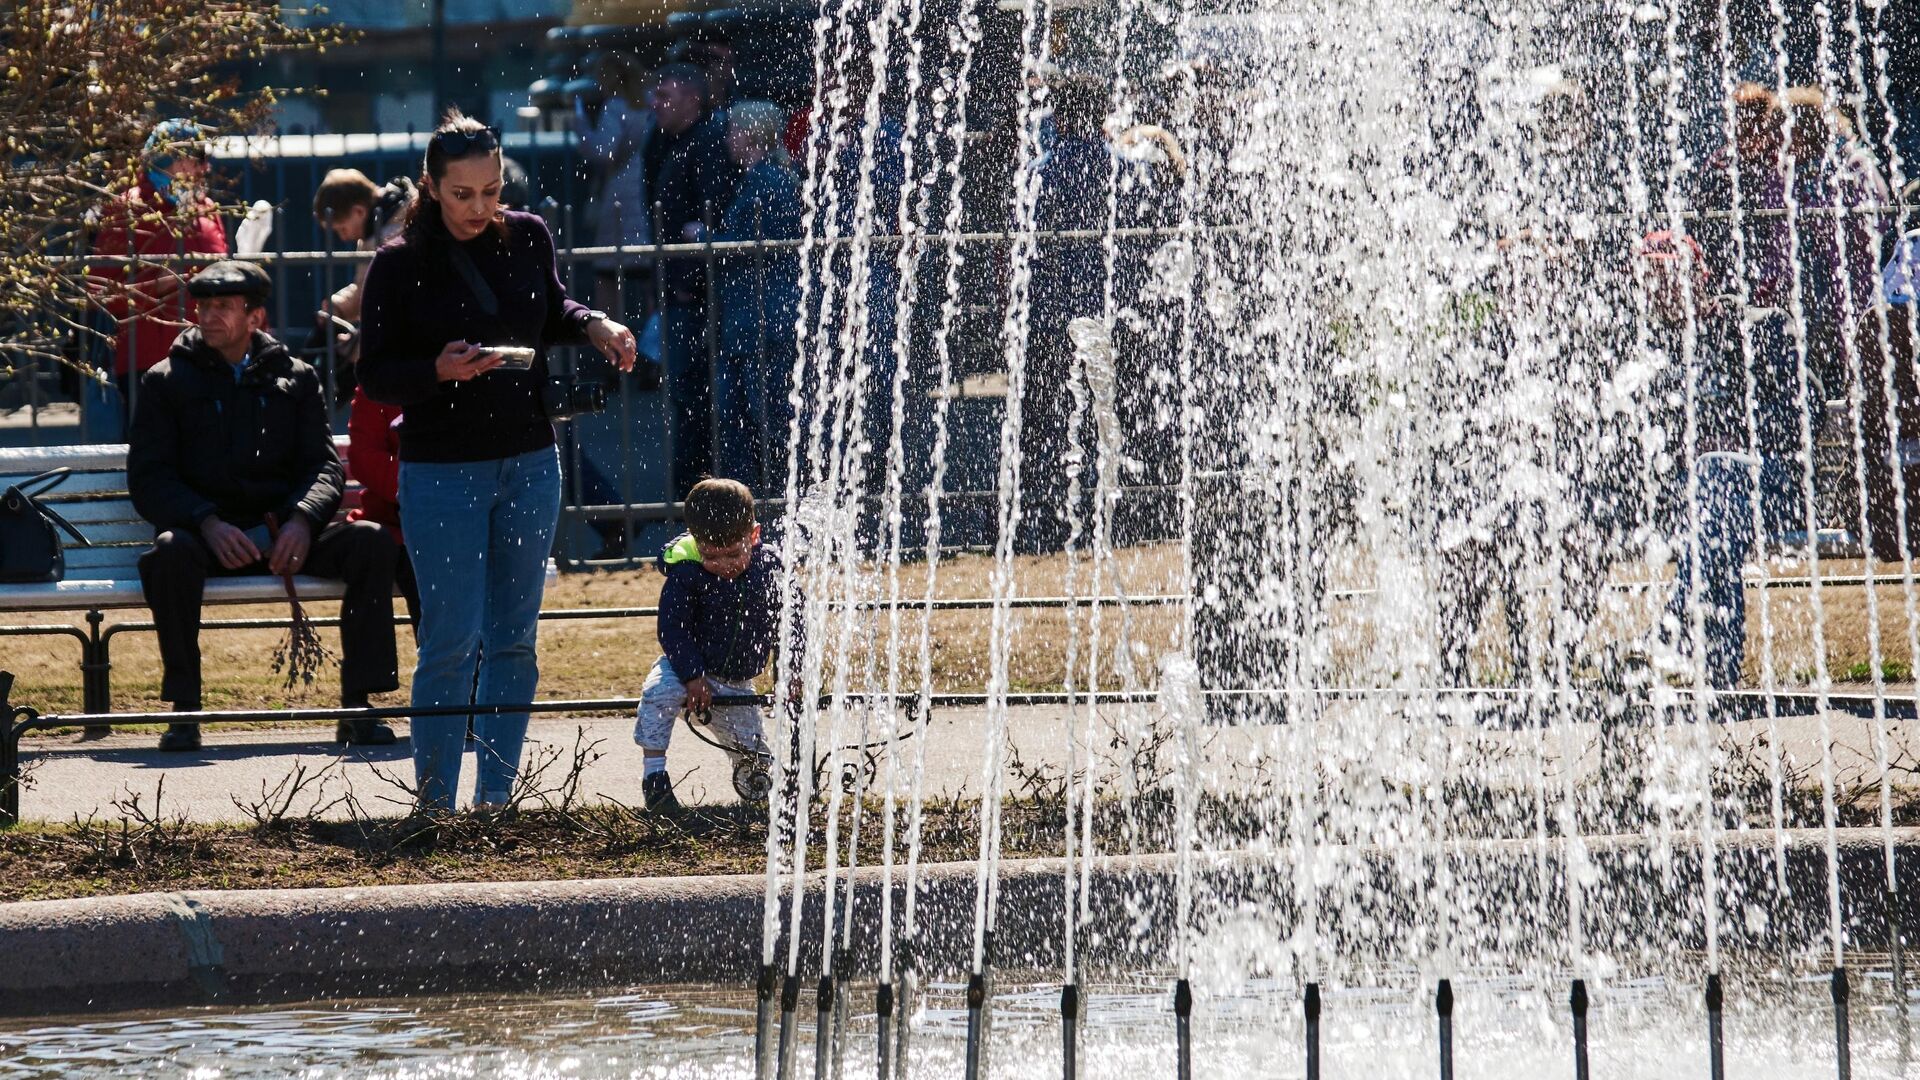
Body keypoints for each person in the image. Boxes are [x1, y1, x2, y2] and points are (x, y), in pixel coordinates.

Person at [358, 109, 637, 812]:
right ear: (431, 187)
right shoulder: (398, 262)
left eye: (491, 189)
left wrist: (592, 323)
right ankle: (434, 807)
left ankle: (496, 801)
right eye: (463, 194)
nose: (480, 207)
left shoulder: (528, 235)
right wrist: (439, 372)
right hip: (443, 470)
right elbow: (376, 377)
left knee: (514, 641)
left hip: (529, 460)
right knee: (451, 641)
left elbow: (551, 311)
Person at [128, 261, 401, 751]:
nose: (208, 317)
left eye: (222, 308)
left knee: (371, 543)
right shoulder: (164, 381)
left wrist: (302, 520)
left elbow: (324, 466)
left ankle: (359, 706)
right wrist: (205, 521)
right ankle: (185, 709)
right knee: (168, 554)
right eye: (203, 307)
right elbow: (149, 477)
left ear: (254, 318)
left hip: (285, 534)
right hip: (209, 537)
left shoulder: (295, 377)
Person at [632, 478, 794, 814]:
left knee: (756, 764)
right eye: (711, 556)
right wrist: (692, 675)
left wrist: (789, 671)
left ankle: (764, 802)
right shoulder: (686, 573)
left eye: (733, 554)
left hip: (734, 680)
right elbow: (672, 630)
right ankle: (654, 779)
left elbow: (792, 624)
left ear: (754, 535)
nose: (723, 565)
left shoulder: (769, 573)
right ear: (695, 543)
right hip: (686, 666)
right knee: (658, 693)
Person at [683, 100, 803, 494]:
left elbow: (743, 245)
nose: (727, 139)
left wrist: (702, 238)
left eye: (734, 130)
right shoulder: (765, 179)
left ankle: (777, 504)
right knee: (749, 425)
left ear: (750, 134)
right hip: (751, 321)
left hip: (762, 321)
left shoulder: (768, 182)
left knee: (768, 426)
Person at [91, 119, 230, 439]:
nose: (203, 168)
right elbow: (97, 291)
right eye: (194, 158)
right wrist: (158, 289)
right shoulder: (125, 209)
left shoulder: (206, 209)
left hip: (208, 356)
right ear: (168, 159)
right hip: (148, 361)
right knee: (154, 453)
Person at [647, 63, 739, 499]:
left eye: (666, 96)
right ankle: (692, 491)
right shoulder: (672, 141)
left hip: (695, 296)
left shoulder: (704, 144)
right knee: (687, 397)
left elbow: (710, 214)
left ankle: (696, 492)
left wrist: (691, 282)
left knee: (695, 399)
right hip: (680, 289)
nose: (655, 104)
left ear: (693, 99)